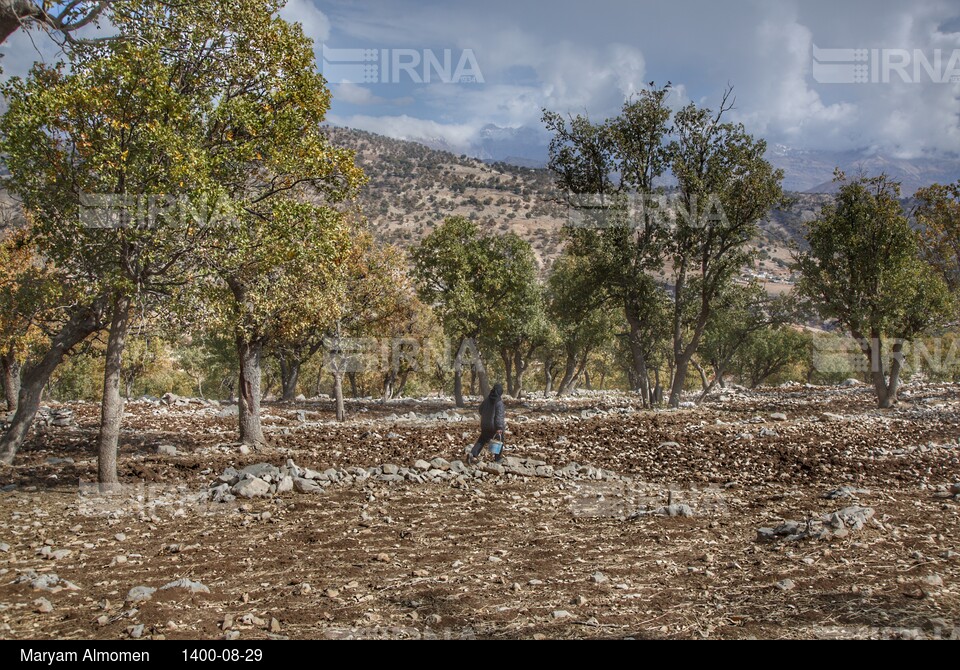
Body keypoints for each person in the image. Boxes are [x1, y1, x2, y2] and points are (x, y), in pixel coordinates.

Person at [467, 382, 506, 465]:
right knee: (500, 439)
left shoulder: (487, 400)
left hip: (484, 424)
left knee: (482, 439)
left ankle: (473, 454)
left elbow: (480, 410)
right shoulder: (499, 403)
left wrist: (486, 417)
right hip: (494, 426)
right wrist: (499, 428)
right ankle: (497, 458)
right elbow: (499, 417)